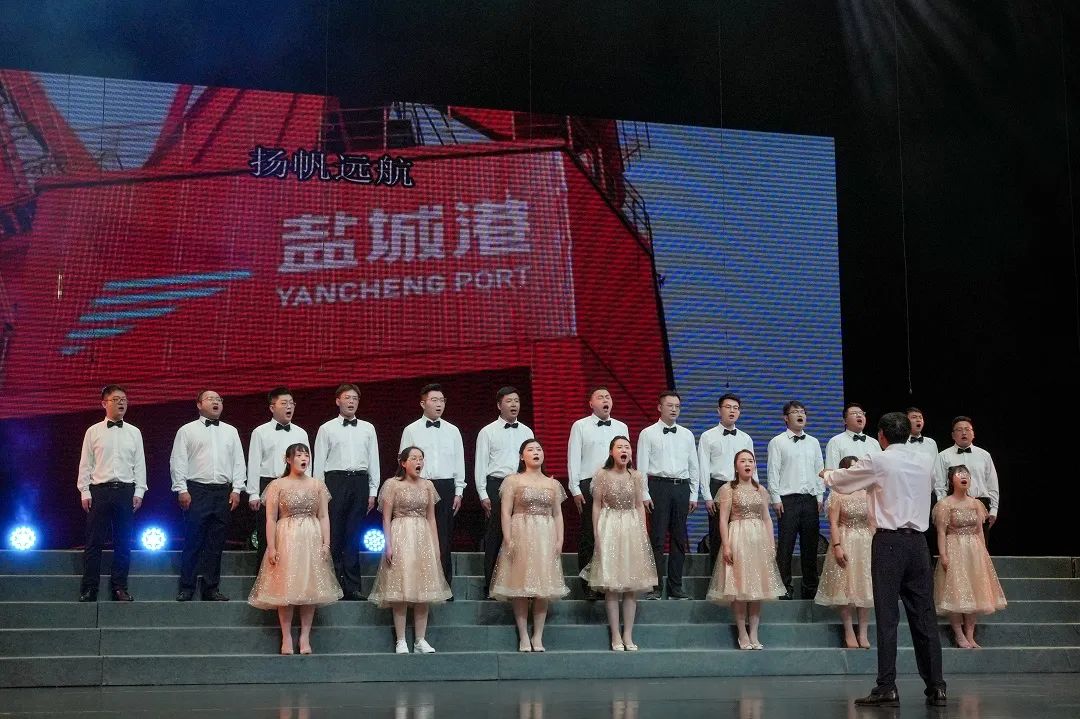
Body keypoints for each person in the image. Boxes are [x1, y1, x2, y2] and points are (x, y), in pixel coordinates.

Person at [822, 411, 946, 708]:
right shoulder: (925, 460)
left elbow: (842, 482)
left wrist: (826, 474)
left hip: (889, 542)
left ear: (882, 436)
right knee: (924, 615)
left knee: (888, 617)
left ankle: (886, 686)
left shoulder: (879, 459)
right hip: (918, 543)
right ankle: (937, 686)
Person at [248, 443, 342, 655]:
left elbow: (324, 516)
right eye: (299, 455)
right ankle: (286, 636)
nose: (304, 458)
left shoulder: (317, 485)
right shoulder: (277, 485)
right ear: (288, 459)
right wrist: (271, 547)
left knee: (310, 588)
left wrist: (326, 543)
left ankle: (305, 637)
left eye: (306, 455)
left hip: (311, 536)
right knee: (286, 588)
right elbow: (271, 519)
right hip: (287, 537)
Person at [368, 446, 453, 653]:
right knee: (401, 589)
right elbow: (386, 518)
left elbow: (431, 518)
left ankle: (420, 640)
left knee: (423, 590)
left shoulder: (428, 486)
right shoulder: (392, 485)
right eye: (414, 458)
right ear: (403, 463)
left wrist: (436, 546)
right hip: (401, 534)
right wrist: (388, 544)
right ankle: (401, 640)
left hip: (422, 536)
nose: (418, 462)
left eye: (421, 458)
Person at [490, 439, 570, 652]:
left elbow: (558, 514)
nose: (536, 452)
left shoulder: (552, 484)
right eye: (530, 449)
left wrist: (560, 539)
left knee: (543, 588)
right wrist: (508, 538)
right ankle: (523, 635)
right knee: (520, 585)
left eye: (539, 449)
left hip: (546, 535)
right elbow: (505, 512)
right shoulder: (513, 481)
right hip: (521, 532)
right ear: (521, 456)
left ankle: (538, 635)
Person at [579, 436, 657, 651]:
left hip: (631, 526)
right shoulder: (602, 475)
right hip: (610, 525)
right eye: (620, 447)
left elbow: (639, 505)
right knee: (611, 585)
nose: (624, 450)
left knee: (631, 586)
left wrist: (642, 531)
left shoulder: (637, 476)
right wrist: (597, 534)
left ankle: (628, 634)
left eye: (627, 447)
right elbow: (596, 505)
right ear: (611, 452)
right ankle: (615, 634)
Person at [170, 390, 246, 602]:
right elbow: (178, 461)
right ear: (199, 404)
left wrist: (237, 489)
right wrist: (181, 489)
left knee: (216, 543)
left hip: (223, 491)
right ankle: (187, 587)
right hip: (197, 490)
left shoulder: (231, 431)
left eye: (219, 399)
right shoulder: (187, 430)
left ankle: (211, 588)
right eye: (211, 399)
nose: (216, 402)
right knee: (193, 540)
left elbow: (238, 462)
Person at [707, 449, 785, 649]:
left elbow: (767, 518)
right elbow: (723, 520)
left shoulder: (761, 489)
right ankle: (742, 633)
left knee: (757, 589)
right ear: (736, 466)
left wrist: (771, 544)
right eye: (743, 461)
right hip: (738, 538)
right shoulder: (728, 489)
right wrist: (726, 545)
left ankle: (754, 634)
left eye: (750, 460)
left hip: (758, 540)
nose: (747, 464)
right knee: (739, 588)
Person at [77, 385, 147, 602]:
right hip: (99, 491)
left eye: (124, 399)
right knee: (94, 542)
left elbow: (140, 464)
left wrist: (140, 491)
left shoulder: (134, 432)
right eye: (116, 399)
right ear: (104, 403)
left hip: (125, 491)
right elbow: (86, 464)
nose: (121, 403)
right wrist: (84, 491)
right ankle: (90, 588)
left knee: (124, 542)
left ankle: (119, 587)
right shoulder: (93, 431)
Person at [313, 383, 380, 601]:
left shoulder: (368, 428)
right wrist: (319, 492)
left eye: (355, 398)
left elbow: (373, 461)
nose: (351, 402)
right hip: (335, 481)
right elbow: (319, 463)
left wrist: (372, 491)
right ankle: (331, 585)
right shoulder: (326, 428)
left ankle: (352, 587)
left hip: (359, 482)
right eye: (347, 398)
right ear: (337, 401)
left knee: (354, 535)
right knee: (333, 534)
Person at [399, 383, 465, 590]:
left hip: (445, 486)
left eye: (442, 400)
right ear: (423, 403)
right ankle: (417, 585)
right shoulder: (411, 430)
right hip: (418, 485)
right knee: (417, 536)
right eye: (434, 400)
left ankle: (443, 586)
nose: (439, 404)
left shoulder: (453, 431)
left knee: (443, 538)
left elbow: (459, 462)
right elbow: (403, 460)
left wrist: (459, 491)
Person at [567, 386, 630, 599]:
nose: (605, 400)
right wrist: (575, 488)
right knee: (590, 533)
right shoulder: (580, 426)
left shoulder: (621, 426)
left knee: (613, 534)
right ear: (591, 403)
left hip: (616, 484)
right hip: (589, 484)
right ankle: (588, 586)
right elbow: (574, 457)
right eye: (600, 397)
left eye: (608, 397)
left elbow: (626, 456)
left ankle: (609, 583)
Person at [933, 464, 1006, 648]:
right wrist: (943, 554)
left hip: (974, 550)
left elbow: (980, 530)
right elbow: (941, 532)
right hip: (954, 548)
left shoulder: (976, 504)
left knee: (974, 591)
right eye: (959, 474)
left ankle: (970, 635)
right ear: (952, 480)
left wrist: (983, 552)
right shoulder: (945, 504)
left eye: (966, 474)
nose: (963, 476)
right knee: (957, 591)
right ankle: (959, 635)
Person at [637, 390, 699, 600]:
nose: (674, 409)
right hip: (658, 487)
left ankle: (676, 587)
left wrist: (693, 494)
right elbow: (642, 467)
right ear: (659, 407)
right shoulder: (647, 433)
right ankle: (655, 587)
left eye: (677, 406)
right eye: (670, 405)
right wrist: (644, 493)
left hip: (681, 487)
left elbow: (693, 465)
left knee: (679, 539)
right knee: (657, 538)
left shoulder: (687, 434)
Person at [474, 386, 534, 599]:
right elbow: (480, 464)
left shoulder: (527, 432)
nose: (514, 405)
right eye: (509, 401)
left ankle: (519, 584)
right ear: (499, 405)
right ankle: (491, 586)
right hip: (496, 485)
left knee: (522, 534)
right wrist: (483, 493)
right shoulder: (487, 431)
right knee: (495, 535)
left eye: (516, 401)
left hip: (521, 485)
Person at [814, 456, 875, 648]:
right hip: (845, 539)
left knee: (864, 587)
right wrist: (837, 546)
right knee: (845, 587)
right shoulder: (837, 494)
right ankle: (849, 631)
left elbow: (872, 522)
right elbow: (833, 523)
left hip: (865, 542)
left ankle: (863, 633)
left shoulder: (868, 493)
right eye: (852, 468)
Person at [766, 400, 824, 600]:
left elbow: (819, 470)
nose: (800, 415)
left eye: (803, 412)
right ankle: (784, 588)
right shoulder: (777, 442)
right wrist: (775, 498)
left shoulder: (813, 442)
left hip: (810, 500)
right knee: (786, 546)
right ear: (786, 417)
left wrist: (819, 496)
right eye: (795, 412)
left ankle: (810, 589)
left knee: (810, 546)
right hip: (787, 500)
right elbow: (773, 472)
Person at [246, 387, 309, 567]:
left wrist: (307, 490)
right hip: (269, 484)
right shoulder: (260, 432)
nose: (289, 407)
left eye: (291, 403)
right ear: (272, 407)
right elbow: (254, 463)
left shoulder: (301, 433)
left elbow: (307, 462)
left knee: (293, 534)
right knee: (267, 535)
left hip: (295, 486)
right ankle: (264, 580)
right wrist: (253, 493)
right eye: (284, 403)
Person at [698, 393, 756, 570]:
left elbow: (752, 466)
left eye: (736, 408)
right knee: (717, 535)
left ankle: (740, 576)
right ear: (719, 410)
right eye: (728, 407)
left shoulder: (745, 438)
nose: (732, 411)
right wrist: (707, 496)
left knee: (742, 534)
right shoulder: (707, 436)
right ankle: (718, 578)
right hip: (718, 486)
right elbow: (703, 468)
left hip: (741, 487)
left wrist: (755, 491)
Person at [934, 416, 1000, 529]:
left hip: (981, 505)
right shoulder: (943, 456)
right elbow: (940, 486)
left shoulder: (984, 455)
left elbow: (992, 484)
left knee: (980, 540)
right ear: (953, 435)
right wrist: (943, 509)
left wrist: (994, 509)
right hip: (953, 506)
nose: (964, 433)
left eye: (967, 429)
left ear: (973, 433)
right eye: (959, 430)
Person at [825, 402, 882, 469]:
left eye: (861, 413)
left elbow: (881, 468)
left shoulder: (874, 442)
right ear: (844, 421)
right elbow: (831, 471)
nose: (859, 415)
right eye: (854, 413)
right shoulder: (835, 442)